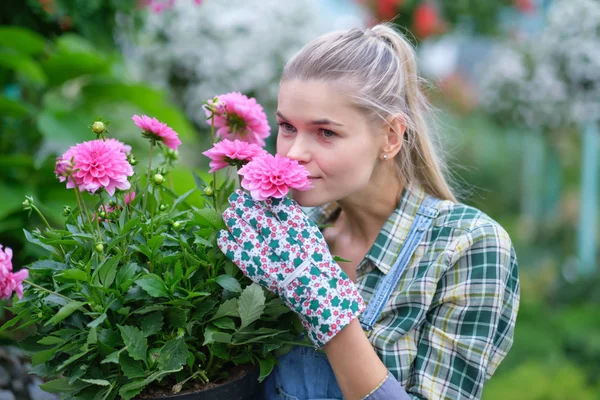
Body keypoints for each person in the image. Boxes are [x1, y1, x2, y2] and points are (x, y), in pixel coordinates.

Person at [217, 23, 520, 400]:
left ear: (391, 136)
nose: (294, 153)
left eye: (326, 133)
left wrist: (325, 304)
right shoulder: (289, 237)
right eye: (287, 127)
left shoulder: (467, 246)